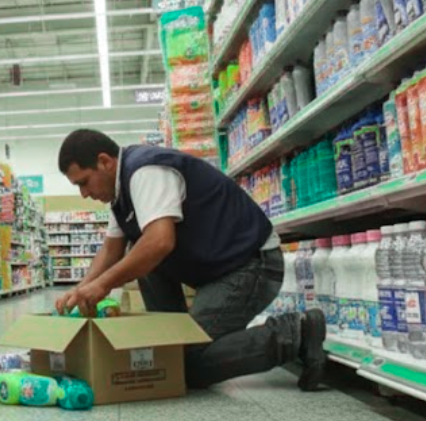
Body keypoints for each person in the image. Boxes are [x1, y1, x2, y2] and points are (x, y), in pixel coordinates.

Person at [54, 129, 327, 391]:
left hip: (251, 265)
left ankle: (295, 333)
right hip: (218, 269)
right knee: (141, 259)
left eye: (83, 182)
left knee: (183, 364)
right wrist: (81, 289)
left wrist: (102, 286)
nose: (84, 194)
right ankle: (171, 337)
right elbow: (112, 250)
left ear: (104, 161)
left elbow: (161, 241)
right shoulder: (120, 192)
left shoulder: (146, 171)